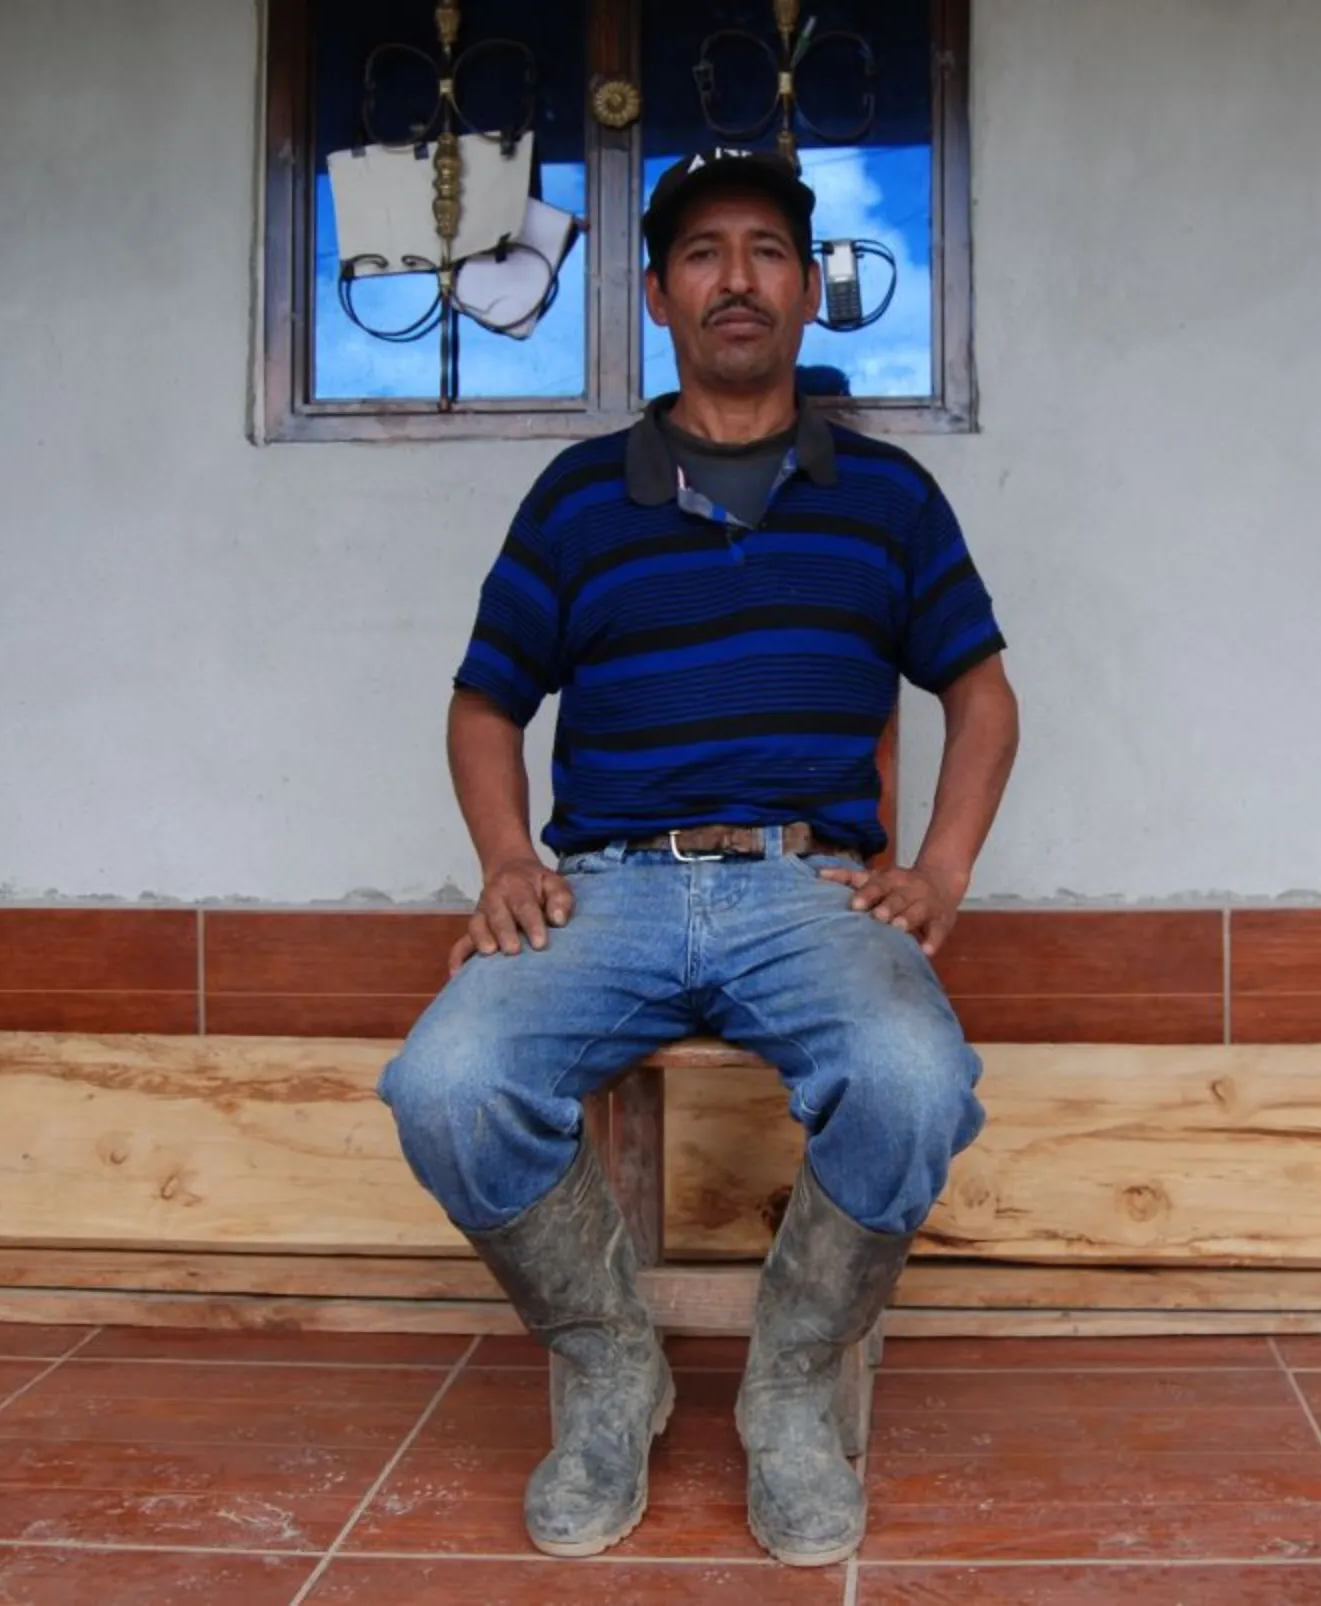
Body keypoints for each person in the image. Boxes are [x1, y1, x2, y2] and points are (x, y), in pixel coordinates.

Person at [377, 146, 1020, 1569]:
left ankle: (789, 1380)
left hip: (807, 888)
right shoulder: (578, 498)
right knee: (447, 1082)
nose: (738, 276)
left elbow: (981, 694)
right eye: (706, 253)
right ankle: (611, 1362)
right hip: (606, 884)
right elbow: (487, 700)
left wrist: (943, 868)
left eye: (769, 250)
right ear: (660, 296)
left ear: (805, 290)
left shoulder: (890, 501)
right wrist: (502, 863)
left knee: (916, 1080)